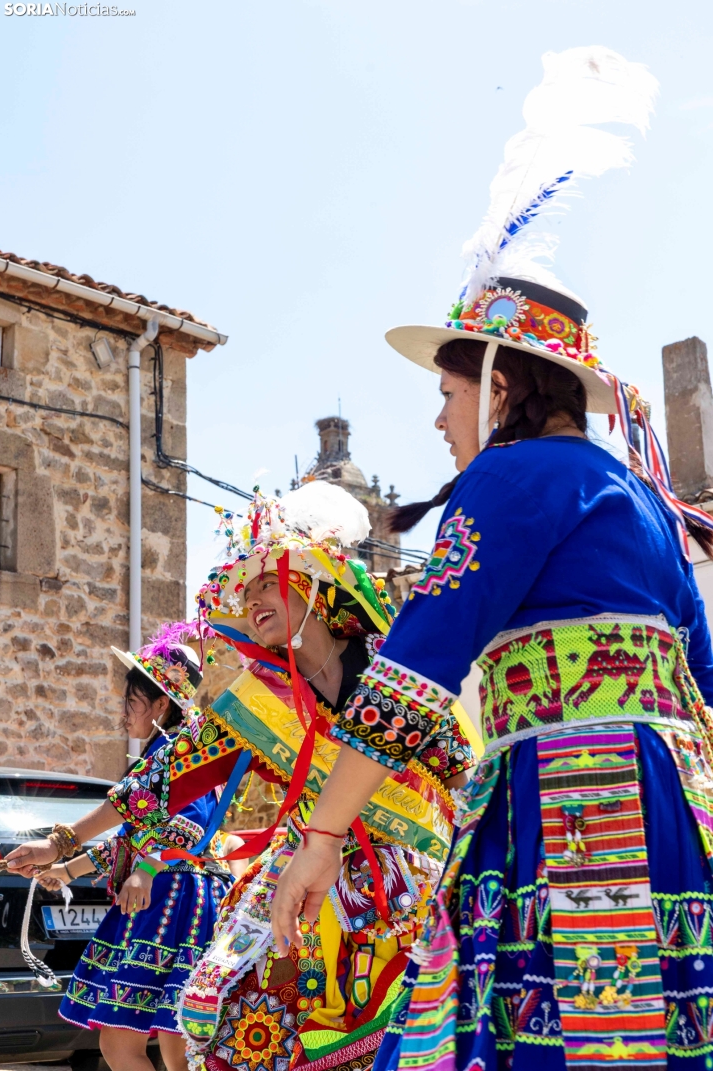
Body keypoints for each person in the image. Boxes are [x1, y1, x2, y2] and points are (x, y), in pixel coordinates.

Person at [269, 47, 713, 1071]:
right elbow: (704, 673)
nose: (438, 419)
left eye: (449, 393)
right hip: (669, 805)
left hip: (571, 804)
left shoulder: (511, 480)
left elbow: (421, 663)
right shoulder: (645, 503)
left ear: (502, 386)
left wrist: (323, 835)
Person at [6, 481, 478, 1071]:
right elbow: (163, 779)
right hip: (302, 881)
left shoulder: (390, 663)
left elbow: (456, 771)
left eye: (265, 584)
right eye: (245, 591)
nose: (252, 600)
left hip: (408, 875)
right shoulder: (256, 701)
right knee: (234, 1022)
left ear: (309, 584)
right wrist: (62, 841)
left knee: (414, 1028)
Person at [37, 625, 238, 1071]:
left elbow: (193, 823)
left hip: (173, 901)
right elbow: (134, 836)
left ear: (161, 704)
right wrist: (67, 870)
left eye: (132, 701)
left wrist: (146, 869)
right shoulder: (165, 752)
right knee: (175, 1046)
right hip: (173, 897)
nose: (123, 713)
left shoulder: (181, 751)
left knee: (128, 1044)